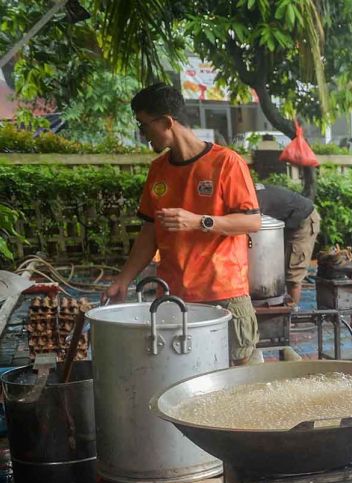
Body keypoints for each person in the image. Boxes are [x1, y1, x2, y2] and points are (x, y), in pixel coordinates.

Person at [105, 83, 262, 364]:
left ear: (166, 121)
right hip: (174, 298)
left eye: (143, 126)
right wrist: (123, 279)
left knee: (236, 389)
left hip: (224, 297)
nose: (143, 135)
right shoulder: (158, 170)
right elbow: (149, 231)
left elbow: (251, 222)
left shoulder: (226, 162)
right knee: (183, 382)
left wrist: (198, 221)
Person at [255, 182, 321, 305]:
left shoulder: (253, 200)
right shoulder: (249, 191)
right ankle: (281, 305)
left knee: (293, 273)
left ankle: (291, 317)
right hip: (288, 221)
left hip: (304, 220)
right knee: (278, 266)